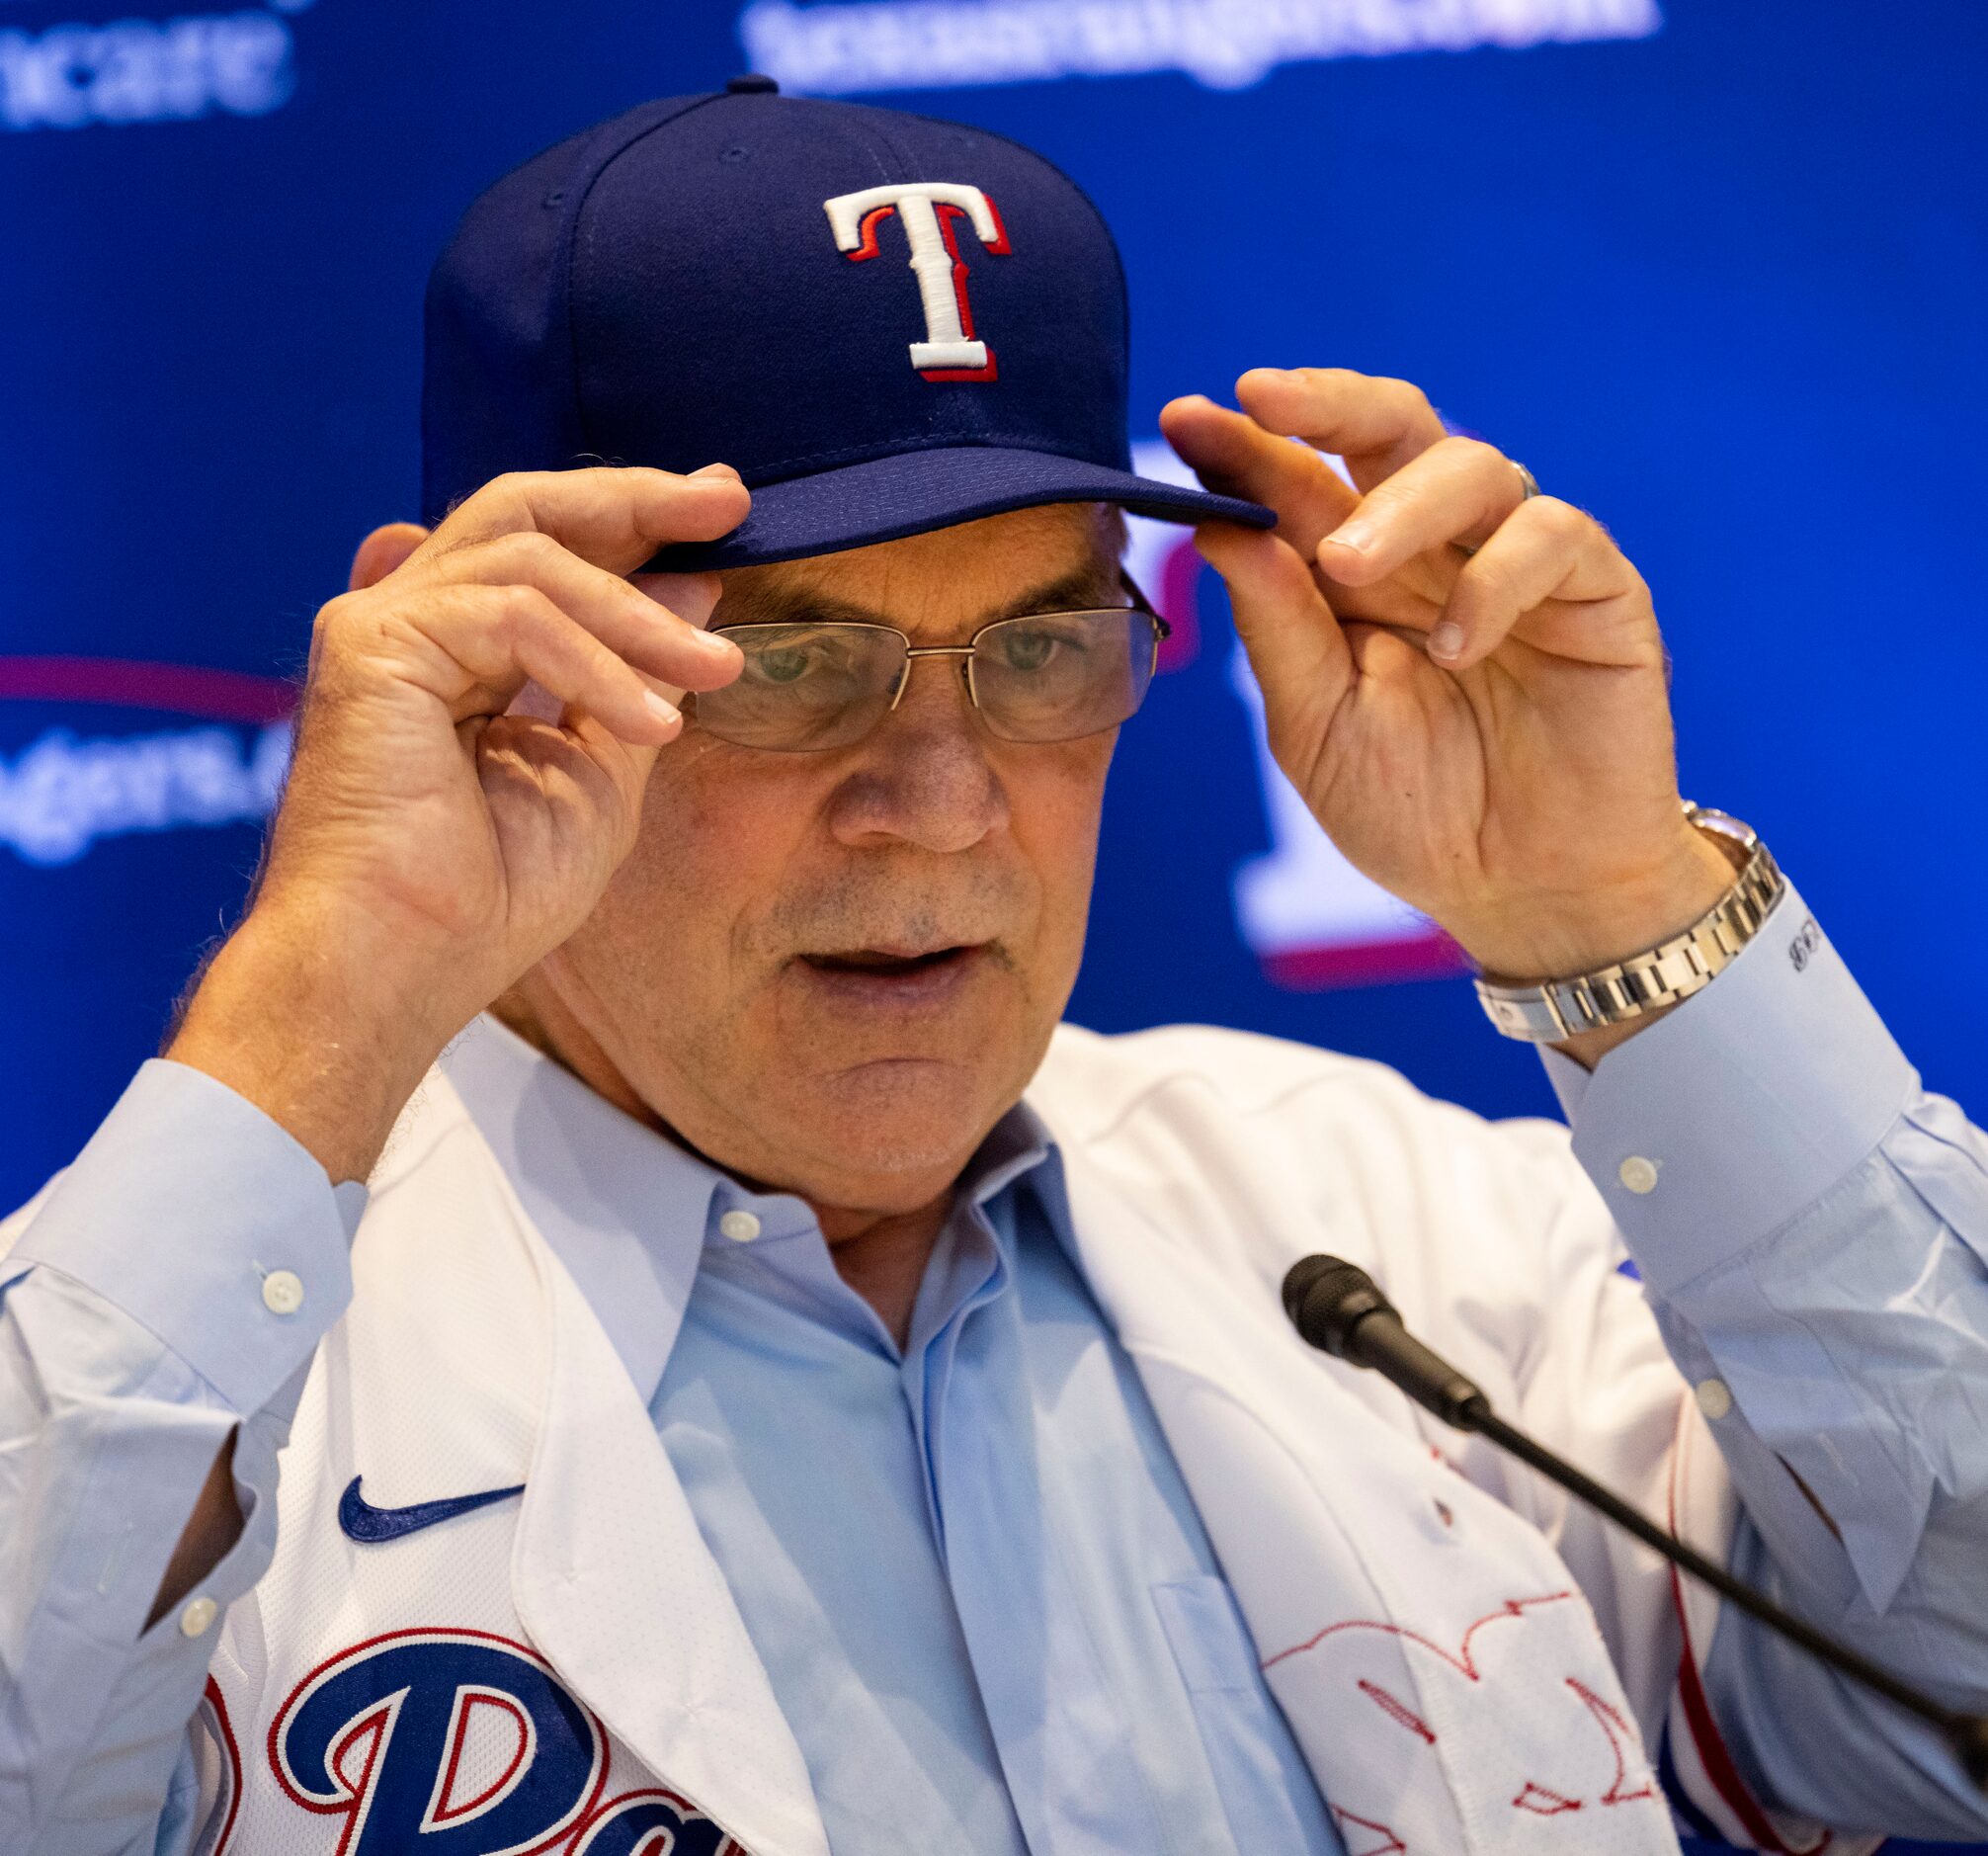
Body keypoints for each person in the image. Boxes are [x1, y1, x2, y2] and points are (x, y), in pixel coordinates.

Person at [4, 77, 1986, 1856]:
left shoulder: (1386, 1232)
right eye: (781, 662)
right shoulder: (188, 1376)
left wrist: (1613, 913)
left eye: (1041, 646)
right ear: (469, 669)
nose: (941, 805)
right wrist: (324, 988)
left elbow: (1950, 1672)